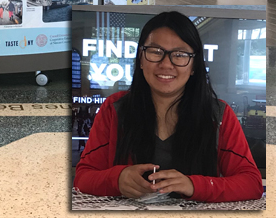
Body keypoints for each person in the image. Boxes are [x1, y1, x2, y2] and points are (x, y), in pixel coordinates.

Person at [74, 11, 263, 203]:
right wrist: (117, 179)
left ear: (194, 66)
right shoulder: (114, 109)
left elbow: (251, 183)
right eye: (155, 52)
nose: (166, 64)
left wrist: (193, 185)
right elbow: (83, 178)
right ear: (141, 59)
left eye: (179, 55)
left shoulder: (218, 115)